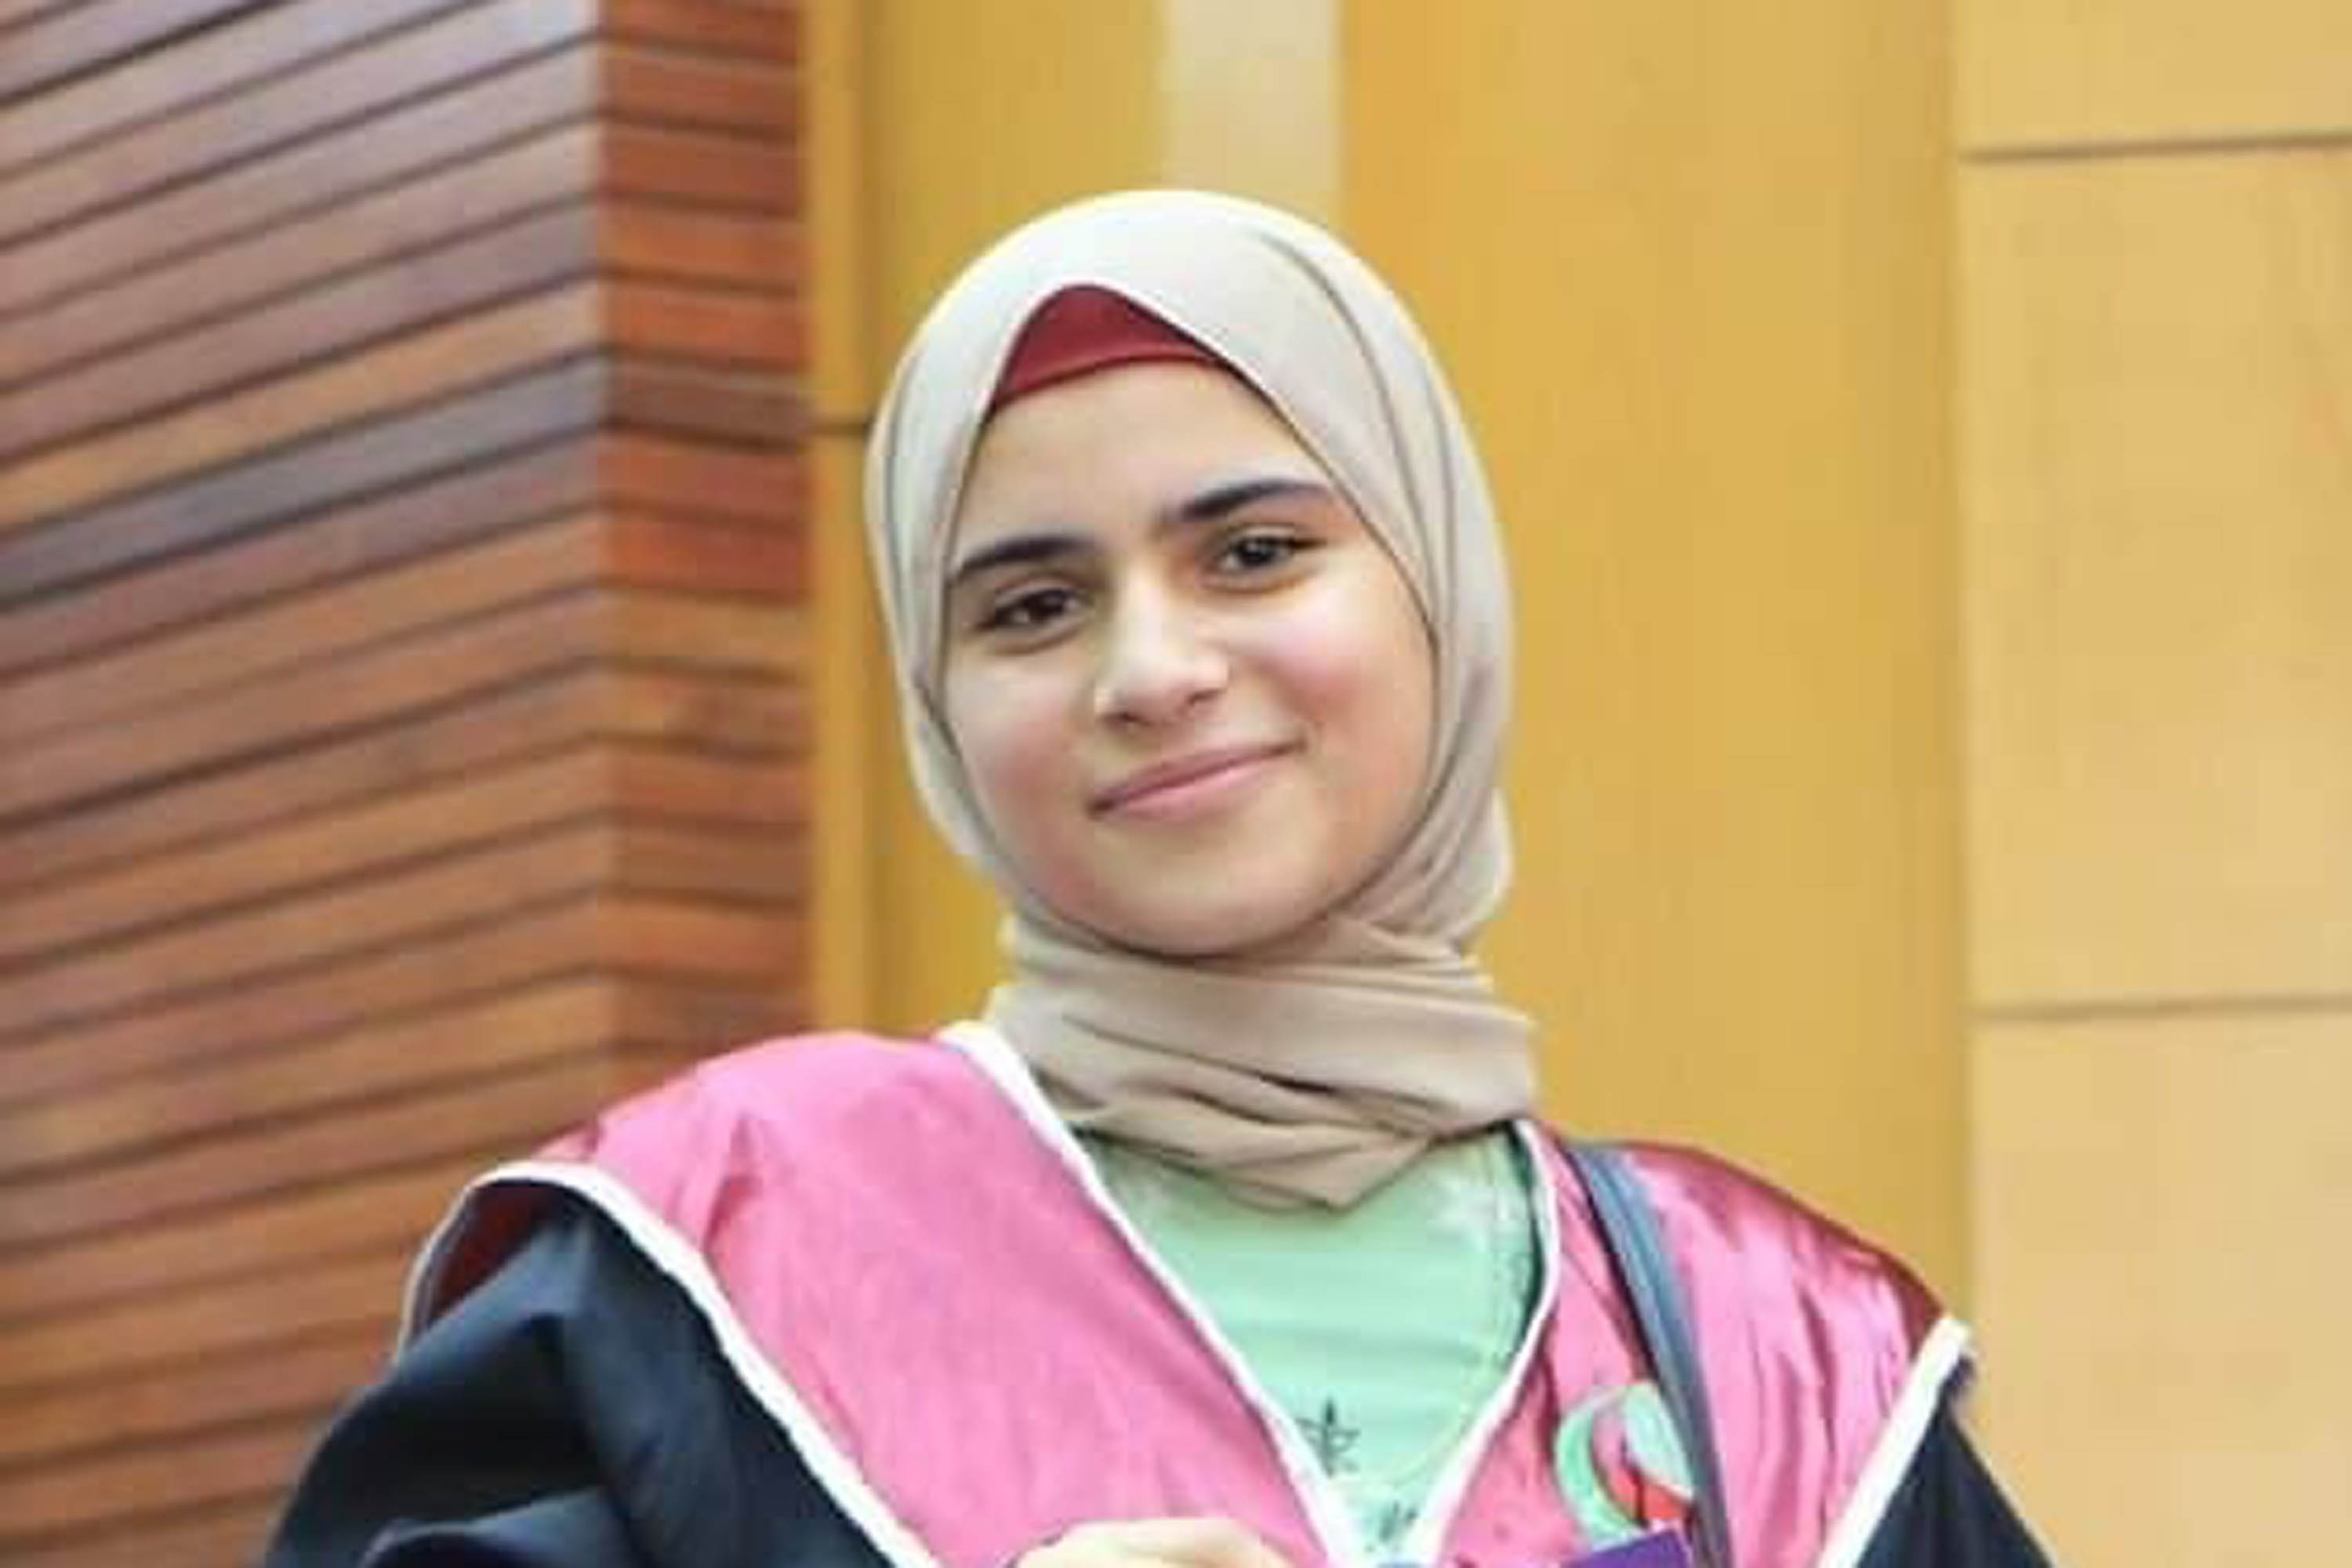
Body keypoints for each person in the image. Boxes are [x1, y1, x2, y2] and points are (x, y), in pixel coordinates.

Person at [266, 191, 2050, 1568]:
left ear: (1439, 584)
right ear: (939, 705)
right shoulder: (697, 1269)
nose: (1154, 668)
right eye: (1034, 606)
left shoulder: (1778, 1352)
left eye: (1256, 551)